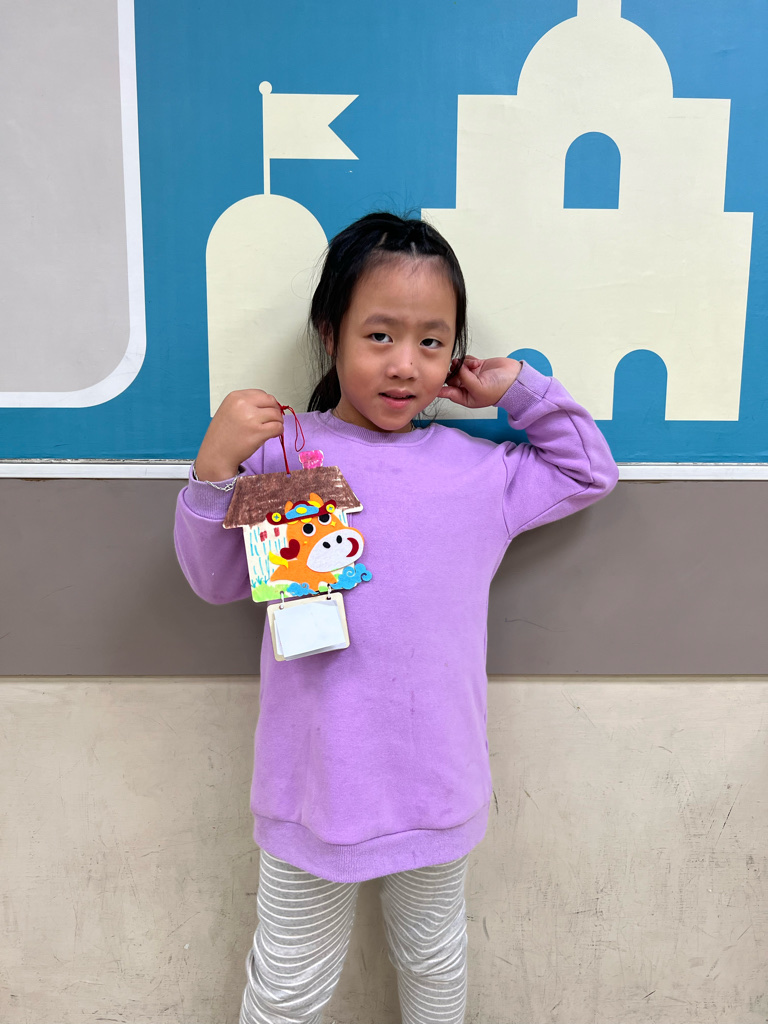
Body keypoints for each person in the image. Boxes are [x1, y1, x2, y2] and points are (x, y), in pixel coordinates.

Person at [174, 212, 619, 1024]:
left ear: (454, 355)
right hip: (313, 790)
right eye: (379, 335)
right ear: (330, 334)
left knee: (435, 965)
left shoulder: (480, 473)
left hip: (435, 785)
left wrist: (518, 388)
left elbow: (588, 470)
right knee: (287, 986)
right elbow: (215, 581)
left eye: (431, 341)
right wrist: (214, 467)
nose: (405, 364)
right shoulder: (285, 458)